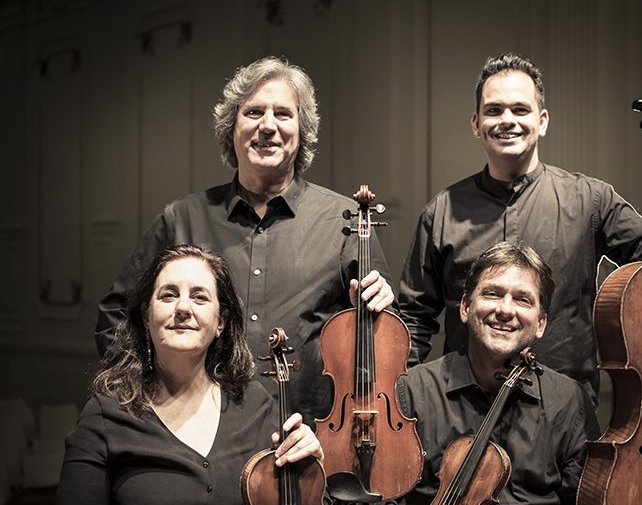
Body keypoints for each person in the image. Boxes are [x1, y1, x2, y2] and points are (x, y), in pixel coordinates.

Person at [398, 53, 642, 407]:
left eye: (520, 110)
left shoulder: (592, 200)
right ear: (476, 123)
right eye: (494, 110)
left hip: (563, 415)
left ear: (542, 121)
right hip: (461, 413)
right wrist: (401, 402)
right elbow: (413, 318)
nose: (507, 120)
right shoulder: (442, 211)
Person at [95, 56, 394, 424]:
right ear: (230, 129)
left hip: (311, 435)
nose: (267, 126)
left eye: (283, 114)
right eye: (253, 113)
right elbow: (115, 316)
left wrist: (379, 313)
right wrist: (148, 391)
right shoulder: (181, 218)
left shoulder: (344, 222)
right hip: (197, 436)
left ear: (301, 131)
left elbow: (388, 344)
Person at [58, 245, 323, 504]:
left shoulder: (256, 405)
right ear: (146, 315)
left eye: (199, 297)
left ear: (220, 321)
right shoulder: (105, 415)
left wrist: (311, 469)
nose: (183, 308)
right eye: (168, 295)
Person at [397, 242, 589, 504]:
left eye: (522, 299)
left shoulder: (569, 403)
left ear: (541, 323)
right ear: (465, 307)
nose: (505, 310)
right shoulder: (412, 392)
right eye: (492, 294)